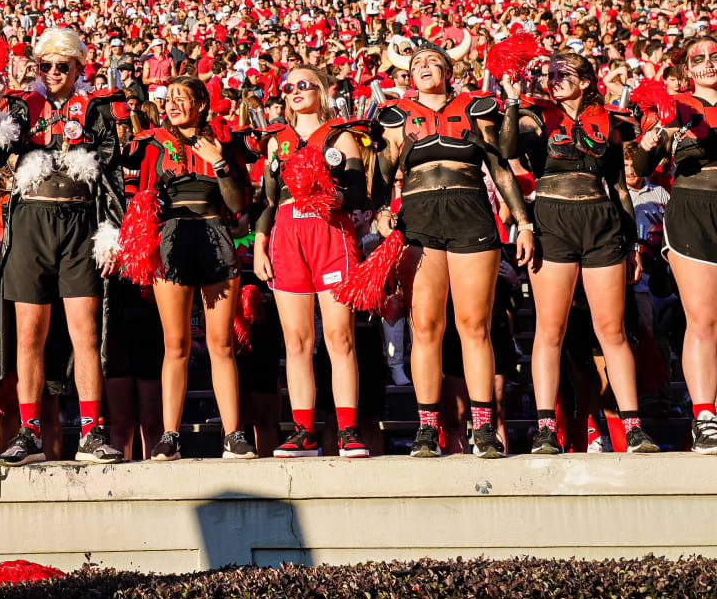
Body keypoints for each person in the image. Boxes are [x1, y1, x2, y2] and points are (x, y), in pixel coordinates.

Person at [374, 37, 534, 458]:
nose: (425, 65)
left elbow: (501, 167)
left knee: (474, 326)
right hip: (418, 217)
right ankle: (427, 428)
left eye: (433, 61)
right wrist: (378, 211)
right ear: (409, 76)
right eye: (417, 62)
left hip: (471, 214)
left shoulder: (474, 106)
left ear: (448, 71)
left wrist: (523, 222)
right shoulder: (396, 116)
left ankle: (483, 427)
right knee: (424, 328)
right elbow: (382, 171)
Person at [500, 51, 656, 453]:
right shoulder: (537, 117)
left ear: (586, 80)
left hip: (600, 221)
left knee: (613, 332)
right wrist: (514, 99)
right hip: (552, 220)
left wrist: (632, 245)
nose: (554, 79)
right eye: (550, 73)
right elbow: (506, 148)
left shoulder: (608, 120)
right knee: (550, 331)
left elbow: (620, 188)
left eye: (563, 73)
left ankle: (634, 427)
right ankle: (546, 428)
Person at [0, 26, 125, 465]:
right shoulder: (19, 104)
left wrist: (112, 231)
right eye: (44, 65)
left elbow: (112, 173)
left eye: (61, 65)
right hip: (31, 219)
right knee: (29, 335)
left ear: (77, 67)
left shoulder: (95, 107)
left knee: (85, 332)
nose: (51, 72)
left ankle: (91, 432)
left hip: (78, 221)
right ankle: (27, 432)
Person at [124, 76, 255, 460]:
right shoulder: (151, 144)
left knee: (221, 344)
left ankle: (233, 435)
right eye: (170, 99)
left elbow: (237, 203)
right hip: (172, 240)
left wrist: (218, 161)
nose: (173, 104)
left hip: (215, 232)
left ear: (201, 103)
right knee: (176, 344)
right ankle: (170, 435)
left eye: (183, 98)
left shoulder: (224, 141)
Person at [254, 66, 370, 458]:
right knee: (297, 341)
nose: (295, 91)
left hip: (329, 231)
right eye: (289, 86)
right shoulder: (276, 141)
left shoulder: (341, 136)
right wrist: (258, 244)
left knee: (339, 337)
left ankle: (348, 430)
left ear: (321, 90)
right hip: (287, 235)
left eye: (304, 84)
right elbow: (270, 202)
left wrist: (333, 198)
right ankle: (303, 431)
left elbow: (358, 193)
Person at [633, 35, 717, 453]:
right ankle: (705, 417)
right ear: (687, 69)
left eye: (714, 55)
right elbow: (644, 167)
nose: (708, 63)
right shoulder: (676, 107)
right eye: (698, 58)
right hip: (693, 212)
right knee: (702, 321)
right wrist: (651, 138)